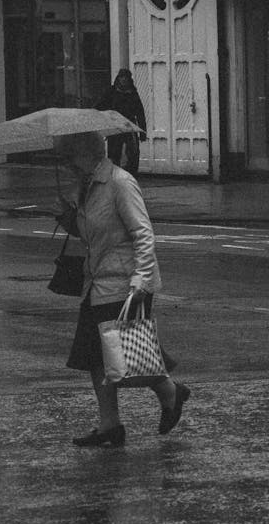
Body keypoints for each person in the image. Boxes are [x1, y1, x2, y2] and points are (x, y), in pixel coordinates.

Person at [54, 129, 189, 448]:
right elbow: (92, 234)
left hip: (124, 282)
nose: (67, 167)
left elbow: (143, 233)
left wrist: (141, 281)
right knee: (95, 357)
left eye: (69, 159)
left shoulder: (119, 182)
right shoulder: (87, 187)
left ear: (86, 155)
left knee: (127, 355)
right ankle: (110, 425)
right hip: (97, 282)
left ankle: (171, 393)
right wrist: (68, 218)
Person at [95, 68, 147, 177]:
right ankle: (114, 174)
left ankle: (131, 174)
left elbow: (139, 112)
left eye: (126, 78)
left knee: (133, 151)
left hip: (129, 125)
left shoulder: (133, 93)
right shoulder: (112, 91)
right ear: (118, 78)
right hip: (115, 125)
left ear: (129, 79)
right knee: (114, 151)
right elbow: (101, 104)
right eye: (121, 77)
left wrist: (143, 131)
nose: (124, 80)